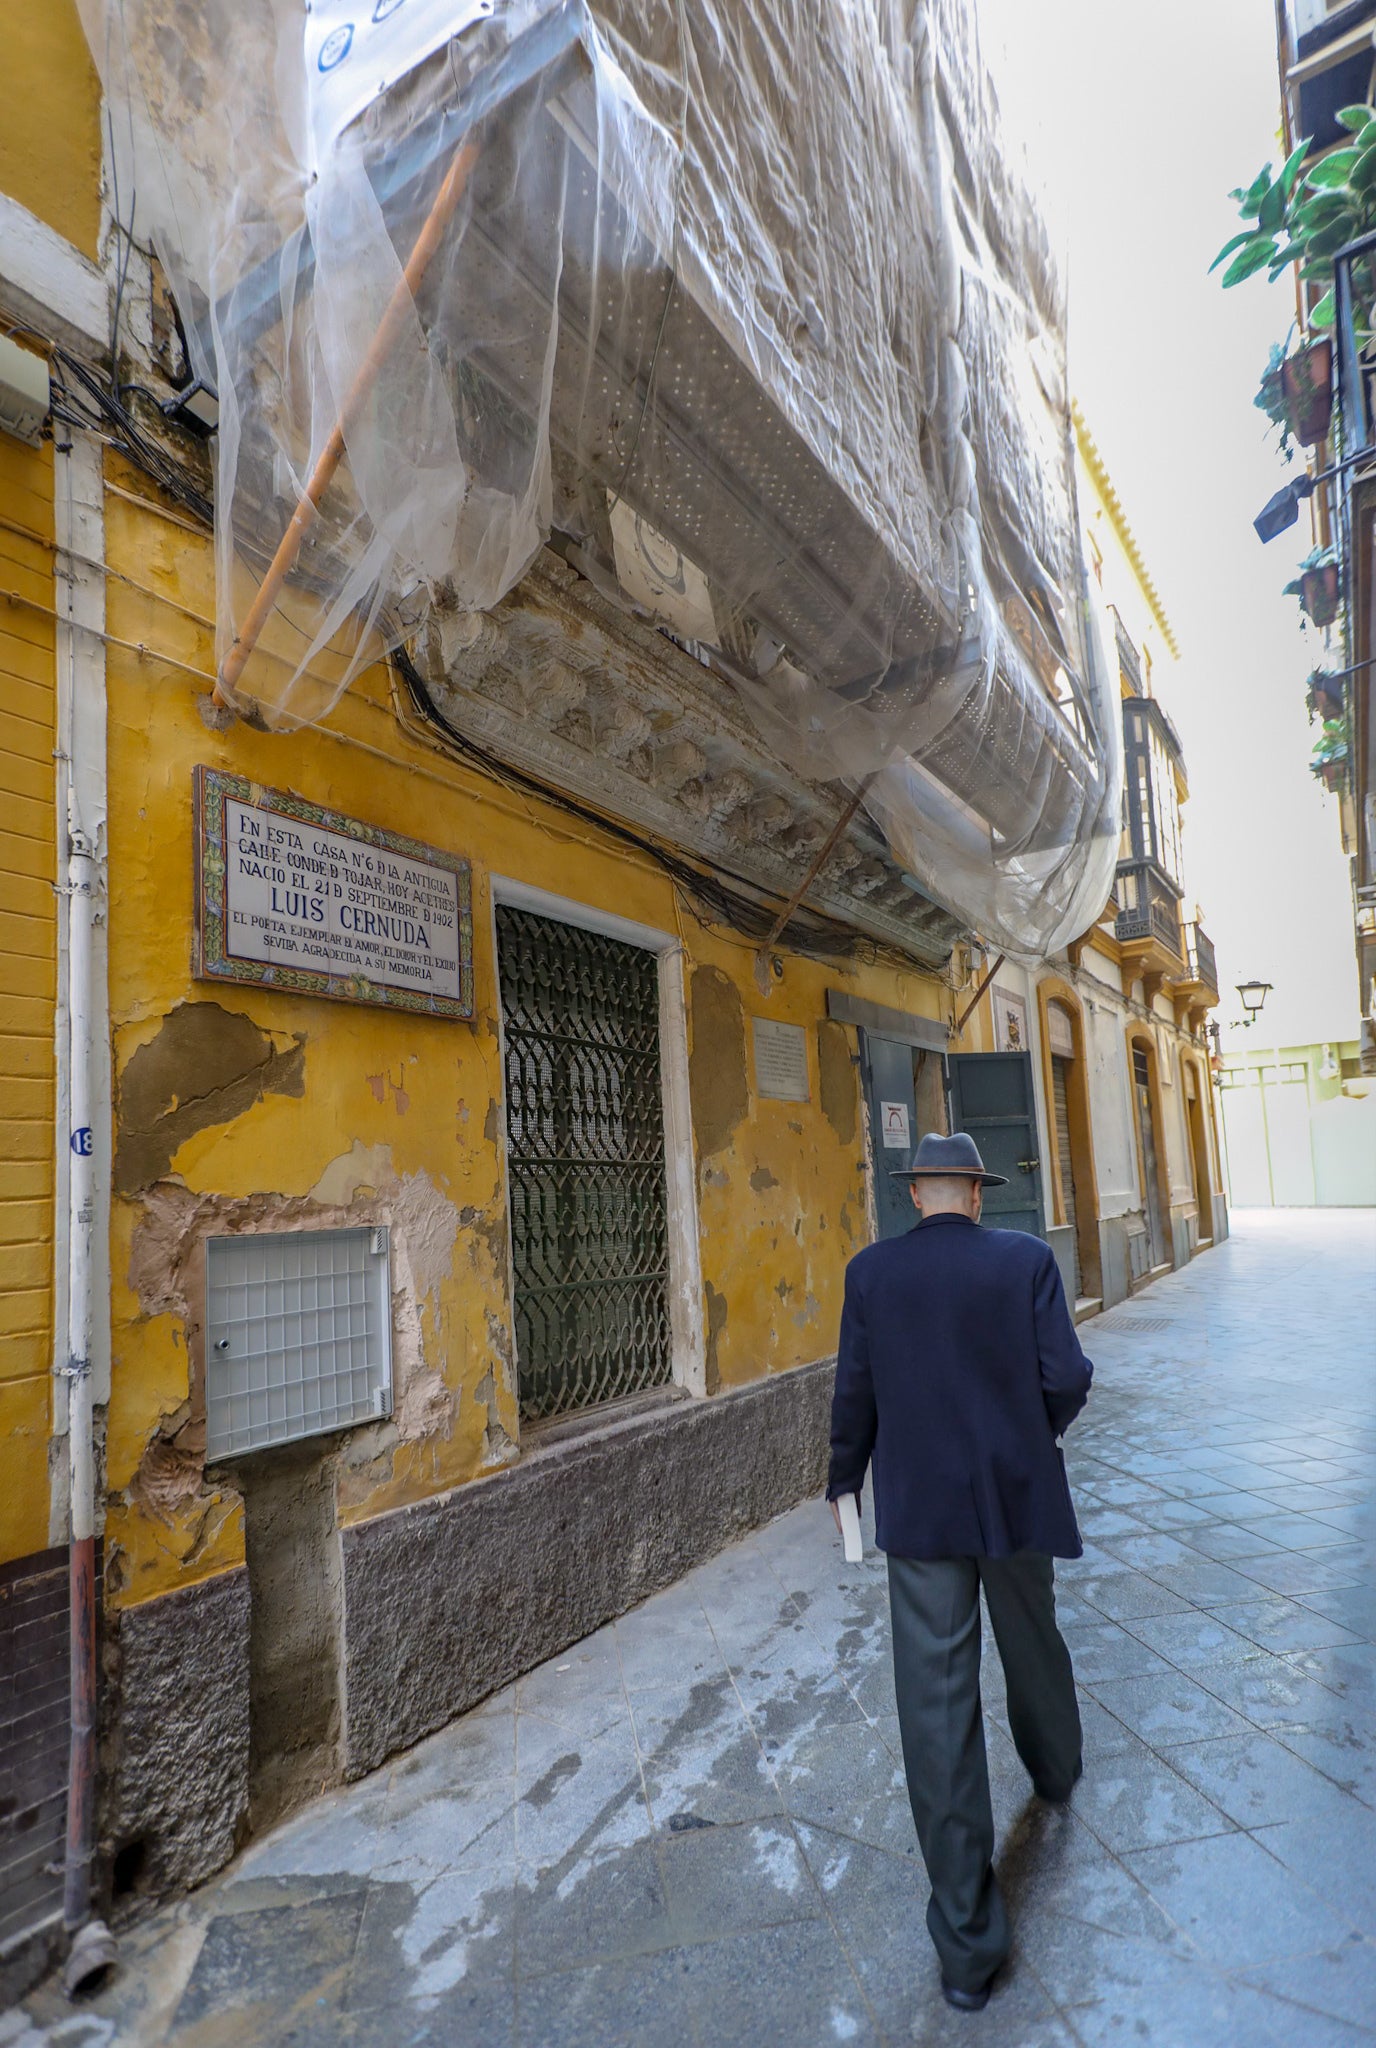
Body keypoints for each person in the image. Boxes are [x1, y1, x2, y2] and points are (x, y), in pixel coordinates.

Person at [827, 1129, 1093, 2014]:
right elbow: (1068, 1374)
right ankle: (1055, 1769)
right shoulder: (1023, 1261)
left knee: (935, 1709)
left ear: (916, 1196)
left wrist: (843, 1483)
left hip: (922, 1514)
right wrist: (1032, 1429)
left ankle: (968, 1953)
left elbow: (854, 1392)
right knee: (1033, 1643)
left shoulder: (871, 1274)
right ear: (977, 1193)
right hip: (1016, 1498)